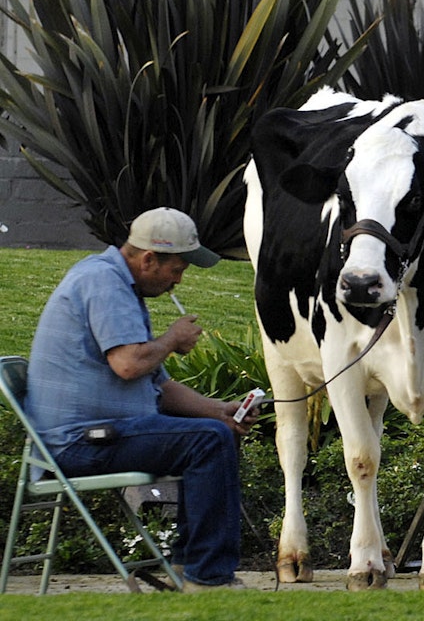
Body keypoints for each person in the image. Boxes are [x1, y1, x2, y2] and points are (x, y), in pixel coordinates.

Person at [25, 207, 258, 591]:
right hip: (78, 443)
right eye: (177, 270)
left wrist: (221, 411)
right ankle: (209, 578)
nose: (178, 282)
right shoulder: (103, 284)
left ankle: (189, 565)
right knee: (208, 441)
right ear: (149, 259)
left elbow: (160, 388)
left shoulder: (120, 287)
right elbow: (130, 365)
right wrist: (171, 340)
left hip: (104, 434)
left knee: (217, 430)